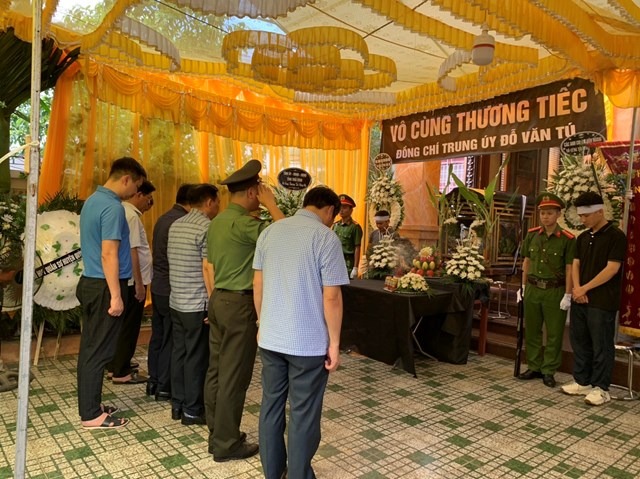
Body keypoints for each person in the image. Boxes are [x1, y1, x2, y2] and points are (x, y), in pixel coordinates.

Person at [253, 186, 349, 479]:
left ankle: (273, 473)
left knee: (271, 406)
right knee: (303, 413)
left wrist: (262, 324)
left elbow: (258, 284)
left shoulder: (269, 233)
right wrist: (335, 344)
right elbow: (331, 297)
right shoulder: (325, 238)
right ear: (329, 210)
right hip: (307, 344)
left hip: (271, 338)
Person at [204, 159, 284, 462]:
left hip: (219, 299)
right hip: (239, 305)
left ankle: (216, 435)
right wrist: (272, 205)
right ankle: (227, 444)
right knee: (234, 377)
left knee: (216, 371)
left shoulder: (218, 221)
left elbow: (211, 264)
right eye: (260, 191)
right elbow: (287, 236)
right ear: (252, 192)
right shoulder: (245, 224)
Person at [76, 156, 147, 429]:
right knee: (98, 352)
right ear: (126, 179)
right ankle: (91, 415)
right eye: (136, 186)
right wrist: (116, 296)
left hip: (91, 282)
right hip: (105, 286)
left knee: (90, 349)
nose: (136, 192)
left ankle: (91, 407)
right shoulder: (113, 207)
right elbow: (109, 254)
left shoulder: (92, 201)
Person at [561, 192, 627, 406]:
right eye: (580, 216)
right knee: (580, 341)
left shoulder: (616, 236)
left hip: (602, 300)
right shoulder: (583, 237)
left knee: (601, 345)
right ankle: (583, 381)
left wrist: (585, 288)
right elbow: (576, 264)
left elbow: (612, 269)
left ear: (600, 211)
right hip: (580, 298)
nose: (582, 220)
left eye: (586, 216)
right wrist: (577, 289)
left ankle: (601, 388)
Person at [168, 184, 220, 425]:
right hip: (196, 304)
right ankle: (192, 410)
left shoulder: (176, 224)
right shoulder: (207, 227)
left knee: (179, 353)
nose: (218, 207)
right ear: (209, 202)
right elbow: (208, 267)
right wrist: (212, 302)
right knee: (196, 358)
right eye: (217, 202)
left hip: (176, 301)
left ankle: (178, 404)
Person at [517, 192, 575, 388]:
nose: (545, 217)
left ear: (558, 214)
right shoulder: (532, 234)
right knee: (532, 330)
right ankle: (534, 366)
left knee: (554, 333)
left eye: (550, 213)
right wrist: (522, 286)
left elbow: (569, 268)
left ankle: (549, 370)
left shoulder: (567, 239)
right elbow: (526, 261)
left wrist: (568, 294)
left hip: (554, 290)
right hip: (533, 288)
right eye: (542, 213)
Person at [147, 184, 194, 400]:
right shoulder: (181, 222)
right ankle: (165, 386)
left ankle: (154, 381)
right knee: (170, 339)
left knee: (158, 336)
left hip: (158, 285)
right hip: (171, 287)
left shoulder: (163, 218)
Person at [110, 179, 156, 385]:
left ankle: (116, 364)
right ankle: (121, 371)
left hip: (126, 279)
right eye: (148, 198)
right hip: (133, 280)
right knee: (129, 326)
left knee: (122, 325)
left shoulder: (123, 212)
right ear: (139, 195)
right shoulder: (131, 216)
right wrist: (139, 283)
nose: (149, 203)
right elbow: (133, 251)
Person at [332, 194, 363, 279]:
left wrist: (355, 267)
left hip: (348, 264)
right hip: (335, 262)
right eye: (340, 207)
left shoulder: (355, 227)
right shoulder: (335, 225)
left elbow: (357, 247)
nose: (341, 210)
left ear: (351, 210)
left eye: (344, 207)